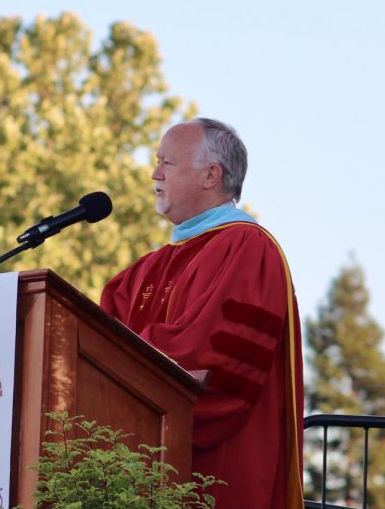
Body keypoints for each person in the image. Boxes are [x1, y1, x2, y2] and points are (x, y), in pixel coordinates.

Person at [100, 118, 304, 508]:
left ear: (211, 175)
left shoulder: (248, 248)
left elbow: (211, 361)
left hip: (216, 475)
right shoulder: (143, 271)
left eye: (168, 163)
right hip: (136, 472)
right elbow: (94, 343)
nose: (155, 173)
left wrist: (120, 362)